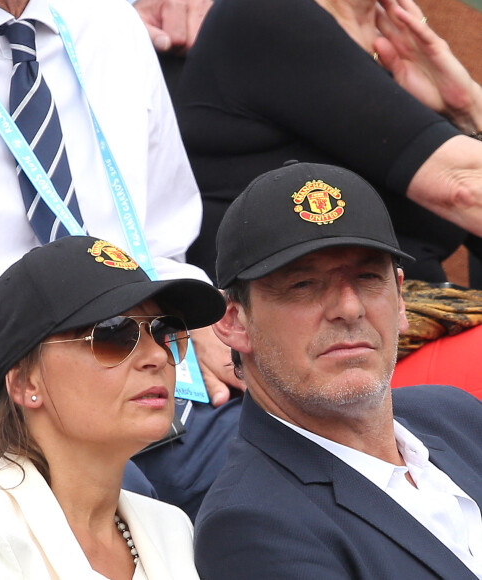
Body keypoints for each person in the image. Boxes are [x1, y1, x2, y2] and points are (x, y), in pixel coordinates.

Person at [0, 0, 242, 504]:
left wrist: (194, 317)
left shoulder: (106, 20)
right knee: (119, 510)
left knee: (287, 464)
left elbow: (163, 235)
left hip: (140, 349)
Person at [194, 161, 482, 579]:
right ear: (234, 322)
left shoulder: (455, 413)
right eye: (304, 285)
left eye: (367, 277)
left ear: (401, 299)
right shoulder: (250, 524)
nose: (349, 308)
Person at [0, 234, 226, 578]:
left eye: (164, 330)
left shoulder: (173, 529)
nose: (157, 356)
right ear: (26, 383)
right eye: (113, 334)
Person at [176, 0, 482, 284]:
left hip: (401, 317)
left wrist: (468, 110)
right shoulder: (270, 15)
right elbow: (464, 188)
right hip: (298, 322)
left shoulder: (396, 44)